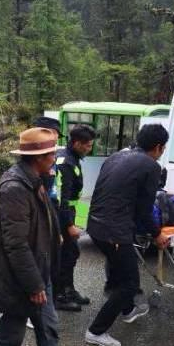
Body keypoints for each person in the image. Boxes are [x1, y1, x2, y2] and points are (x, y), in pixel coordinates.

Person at [0, 127, 64, 346]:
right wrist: (35, 285)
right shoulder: (15, 188)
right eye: (51, 154)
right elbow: (16, 245)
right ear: (38, 158)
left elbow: (42, 221)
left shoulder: (35, 179)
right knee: (11, 337)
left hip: (37, 270)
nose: (55, 158)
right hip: (22, 278)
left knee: (47, 331)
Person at [84, 124, 170, 346]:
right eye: (163, 148)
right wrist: (157, 234)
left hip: (95, 226)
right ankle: (96, 331)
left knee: (120, 271)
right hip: (114, 232)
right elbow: (144, 210)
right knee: (130, 283)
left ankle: (128, 310)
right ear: (158, 147)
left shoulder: (115, 157)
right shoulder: (151, 166)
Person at [54, 125, 95, 311]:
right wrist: (69, 225)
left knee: (71, 253)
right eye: (87, 145)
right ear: (77, 143)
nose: (89, 149)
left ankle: (68, 290)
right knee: (65, 254)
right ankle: (59, 295)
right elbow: (62, 198)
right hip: (62, 215)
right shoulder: (66, 163)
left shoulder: (72, 157)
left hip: (68, 213)